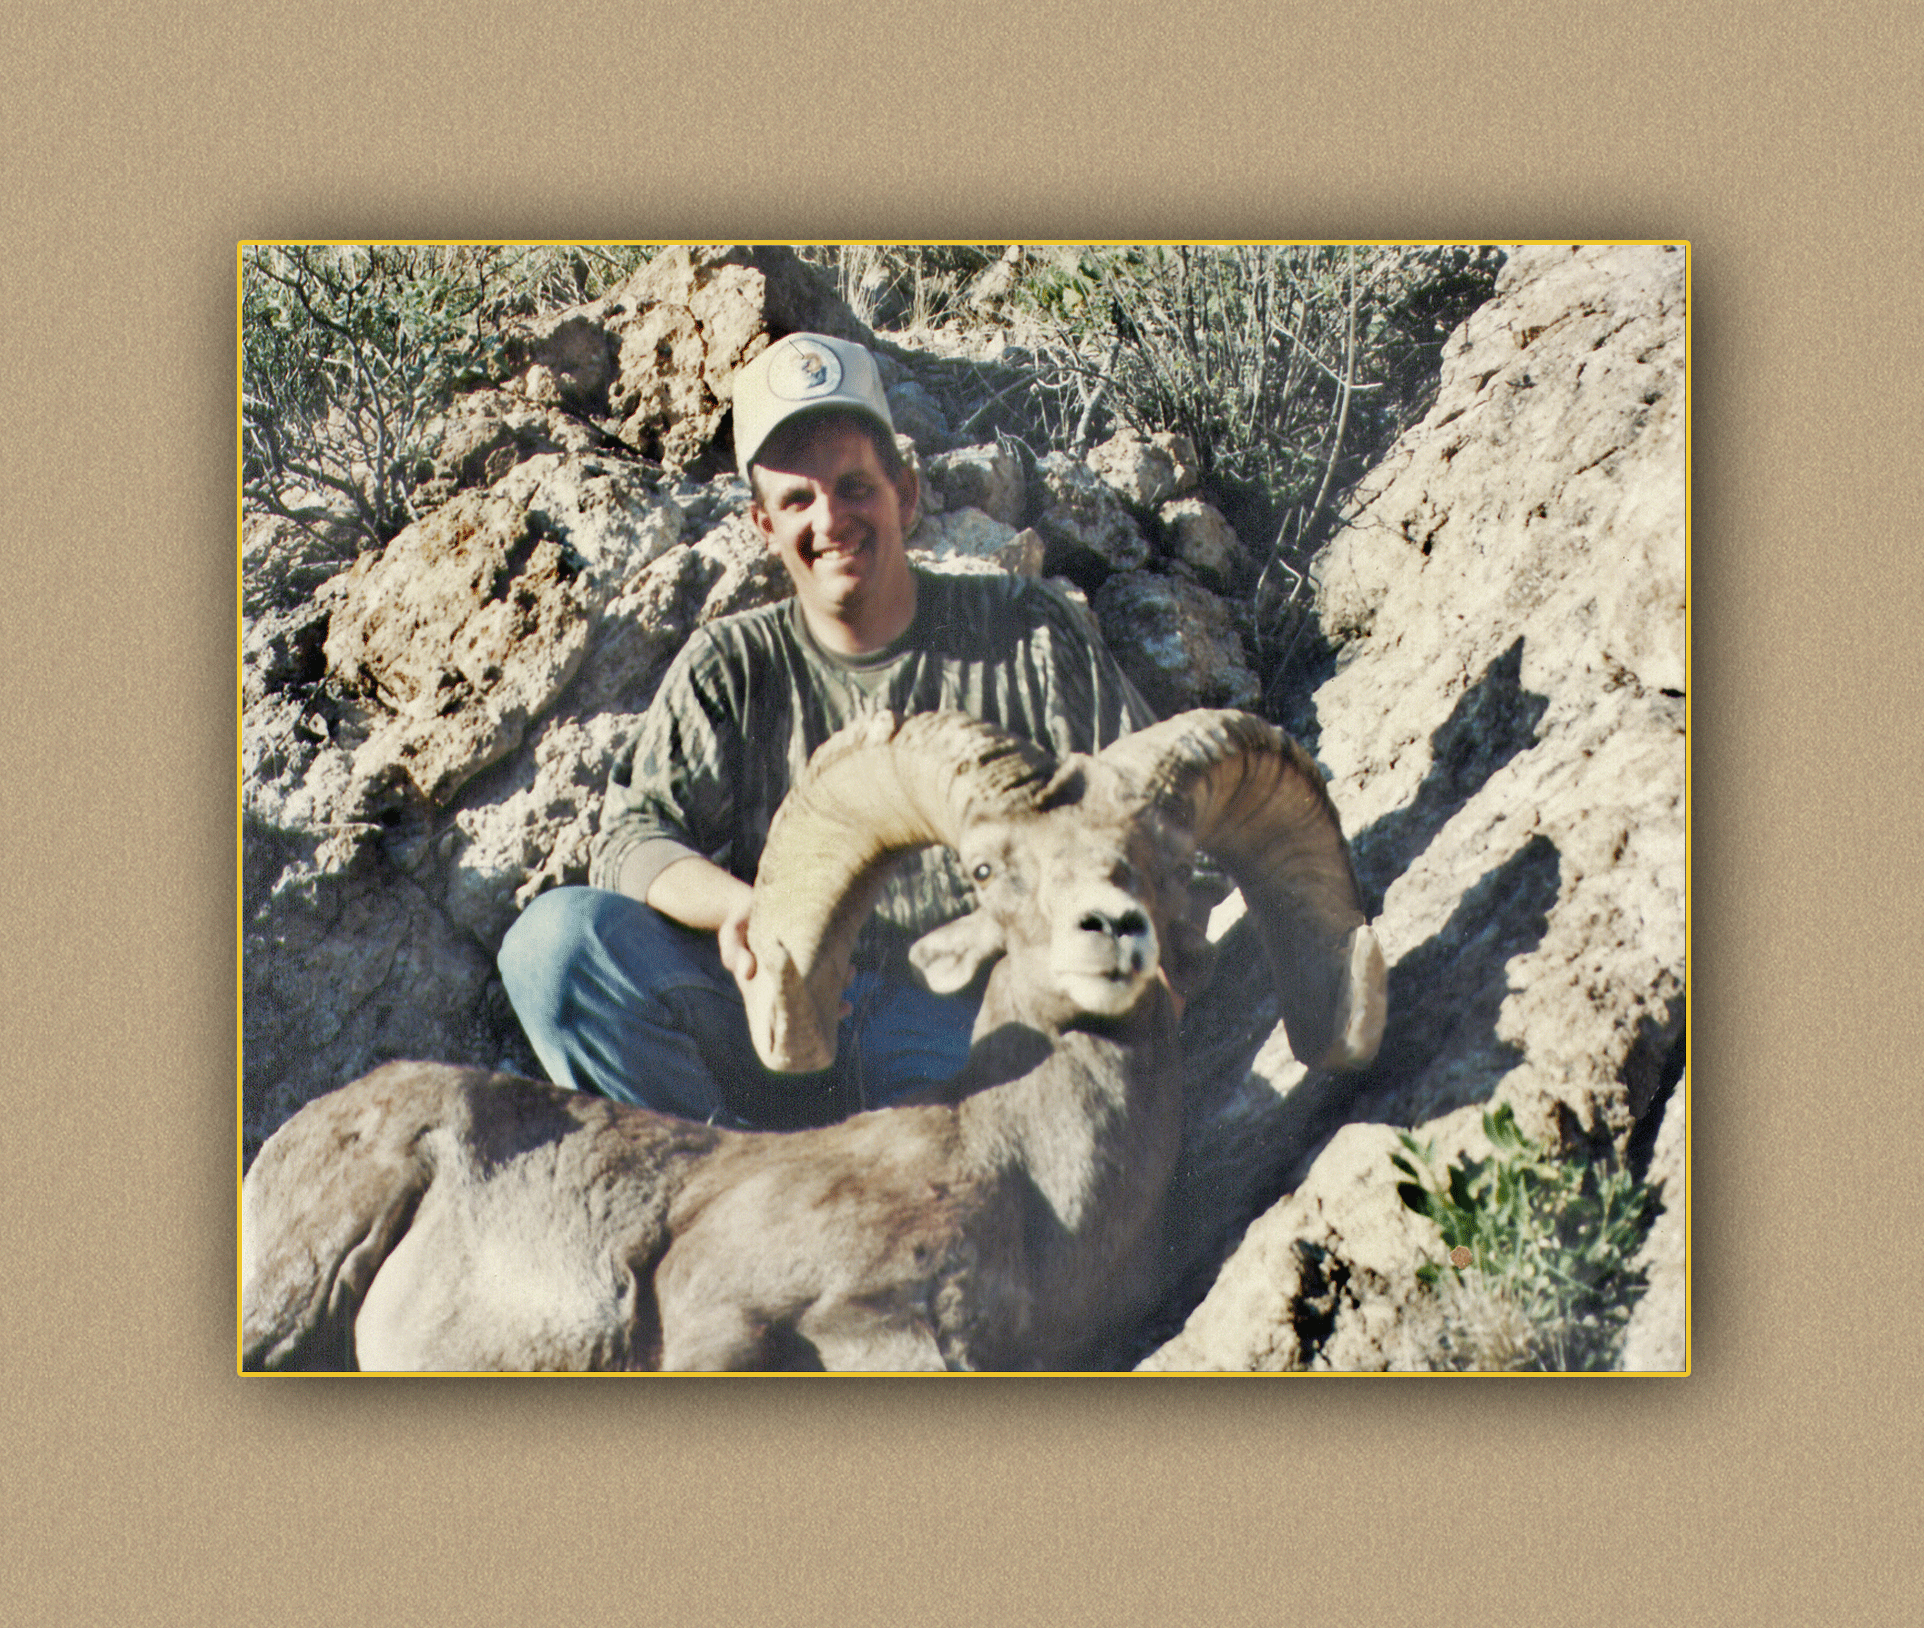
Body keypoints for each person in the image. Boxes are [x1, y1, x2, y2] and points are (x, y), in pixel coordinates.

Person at [498, 332, 1156, 1128]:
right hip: (780, 1005)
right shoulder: (730, 664)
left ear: (905, 493)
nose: (830, 519)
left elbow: (1139, 804)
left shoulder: (1028, 634)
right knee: (555, 947)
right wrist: (749, 915)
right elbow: (632, 839)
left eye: (854, 488)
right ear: (763, 525)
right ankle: (718, 1179)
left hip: (962, 1014)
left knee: (1007, 1111)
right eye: (797, 501)